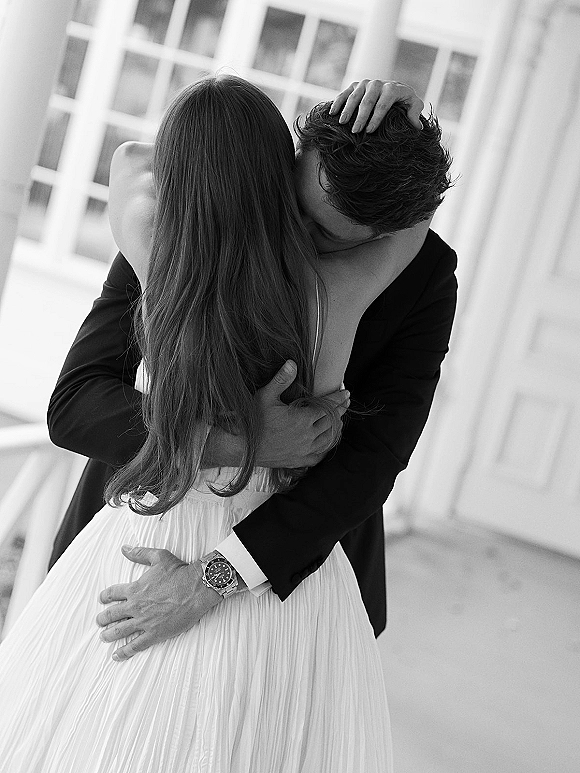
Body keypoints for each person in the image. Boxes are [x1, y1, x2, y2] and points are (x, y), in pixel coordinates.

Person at [0, 75, 447, 772]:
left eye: (329, 239)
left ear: (384, 235)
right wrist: (239, 441)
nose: (295, 239)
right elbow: (79, 401)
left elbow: (372, 462)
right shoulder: (200, 211)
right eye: (296, 208)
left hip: (289, 562)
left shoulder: (418, 278)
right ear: (290, 156)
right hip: (138, 538)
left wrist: (211, 578)